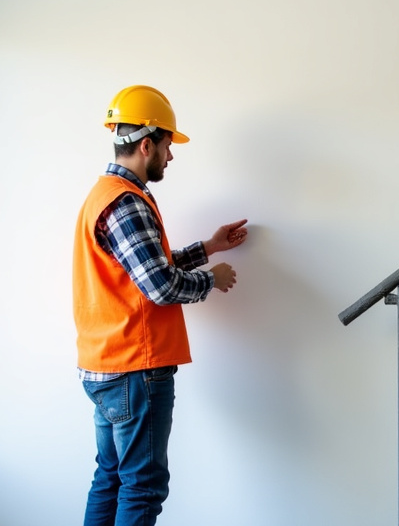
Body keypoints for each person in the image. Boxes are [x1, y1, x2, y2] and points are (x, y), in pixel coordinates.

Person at [72, 85, 248, 526]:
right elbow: (160, 286)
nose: (170, 156)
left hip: (108, 365)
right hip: (136, 369)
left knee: (111, 479)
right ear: (146, 144)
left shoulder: (105, 195)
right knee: (142, 487)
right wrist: (211, 280)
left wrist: (208, 247)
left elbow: (144, 268)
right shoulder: (126, 202)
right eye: (168, 145)